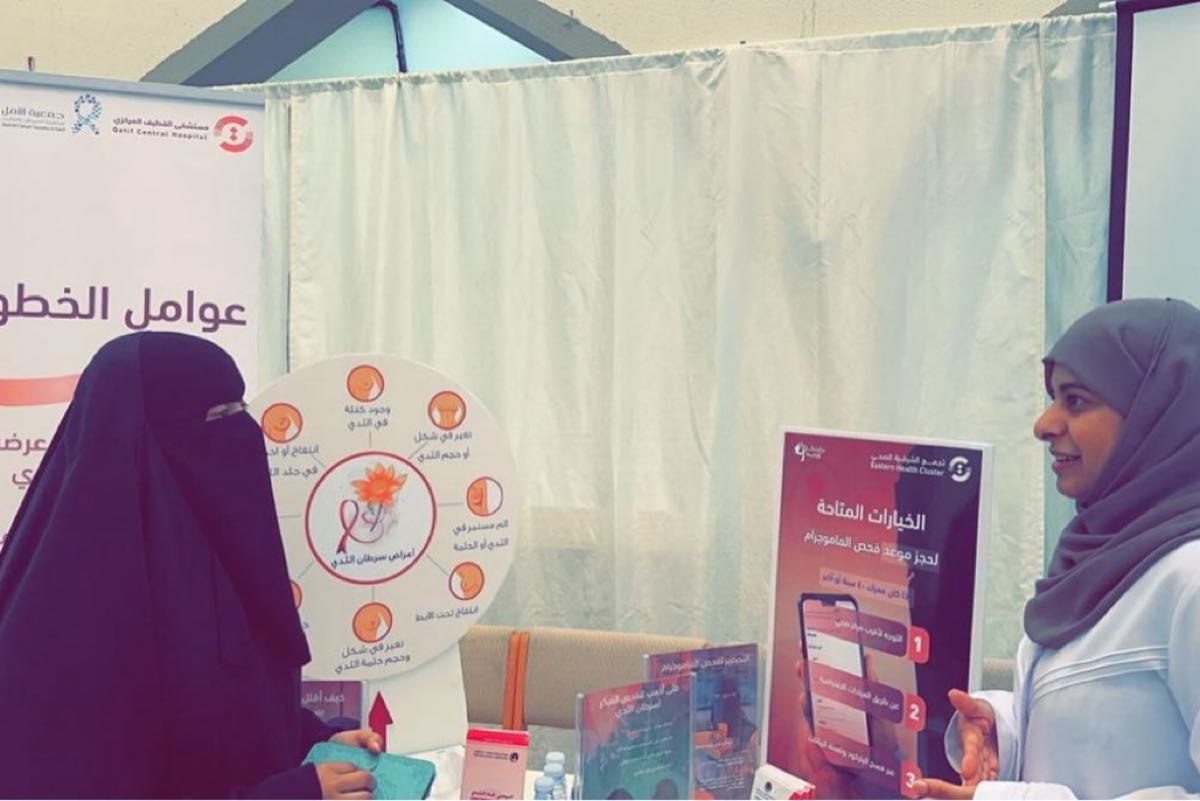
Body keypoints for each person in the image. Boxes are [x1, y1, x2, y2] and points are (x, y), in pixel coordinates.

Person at [0, 332, 381, 798]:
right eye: (219, 416)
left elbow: (222, 709)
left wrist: (311, 740)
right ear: (145, 441)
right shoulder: (61, 623)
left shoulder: (211, 563)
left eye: (241, 409)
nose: (244, 431)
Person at [917, 298, 1200, 799]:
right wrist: (1005, 731)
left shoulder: (1190, 575)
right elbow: (1116, 731)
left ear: (1155, 414)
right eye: (1053, 398)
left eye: (1076, 400)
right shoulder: (1103, 551)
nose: (1043, 423)